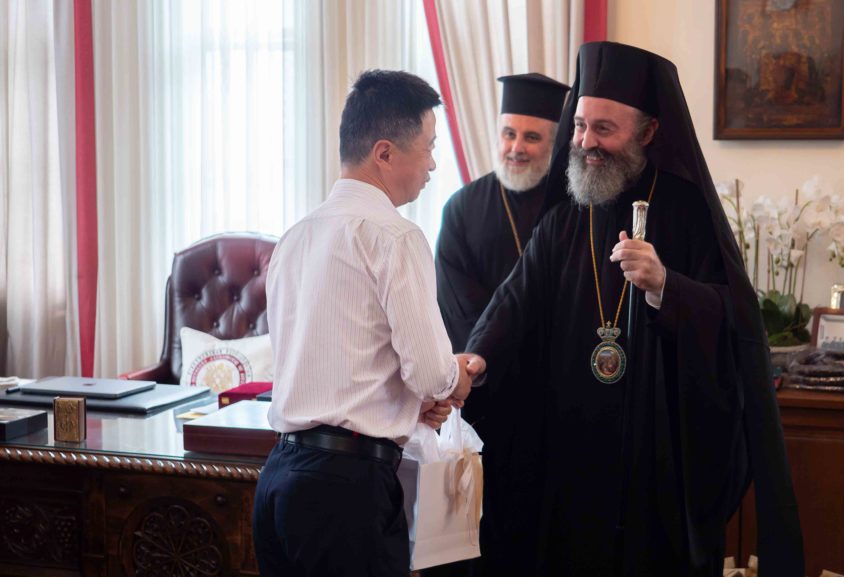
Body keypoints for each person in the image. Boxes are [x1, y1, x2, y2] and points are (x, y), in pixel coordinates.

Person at [461, 42, 805, 576]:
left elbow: (733, 318)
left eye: (605, 129)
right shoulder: (564, 219)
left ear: (647, 132)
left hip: (656, 456)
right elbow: (515, 300)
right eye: (579, 126)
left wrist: (668, 286)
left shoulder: (688, 213)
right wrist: (478, 357)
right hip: (569, 452)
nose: (585, 143)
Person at [252, 69, 473, 577]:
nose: (434, 163)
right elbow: (431, 374)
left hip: (278, 478)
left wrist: (409, 402)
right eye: (428, 146)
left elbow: (321, 365)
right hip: (346, 491)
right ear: (385, 153)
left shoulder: (294, 237)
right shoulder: (395, 237)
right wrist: (458, 375)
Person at [433, 72, 568, 577]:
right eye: (509, 134)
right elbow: (461, 312)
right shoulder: (462, 208)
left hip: (558, 408)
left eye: (532, 136)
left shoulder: (573, 210)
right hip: (486, 409)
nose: (516, 147)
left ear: (554, 145)